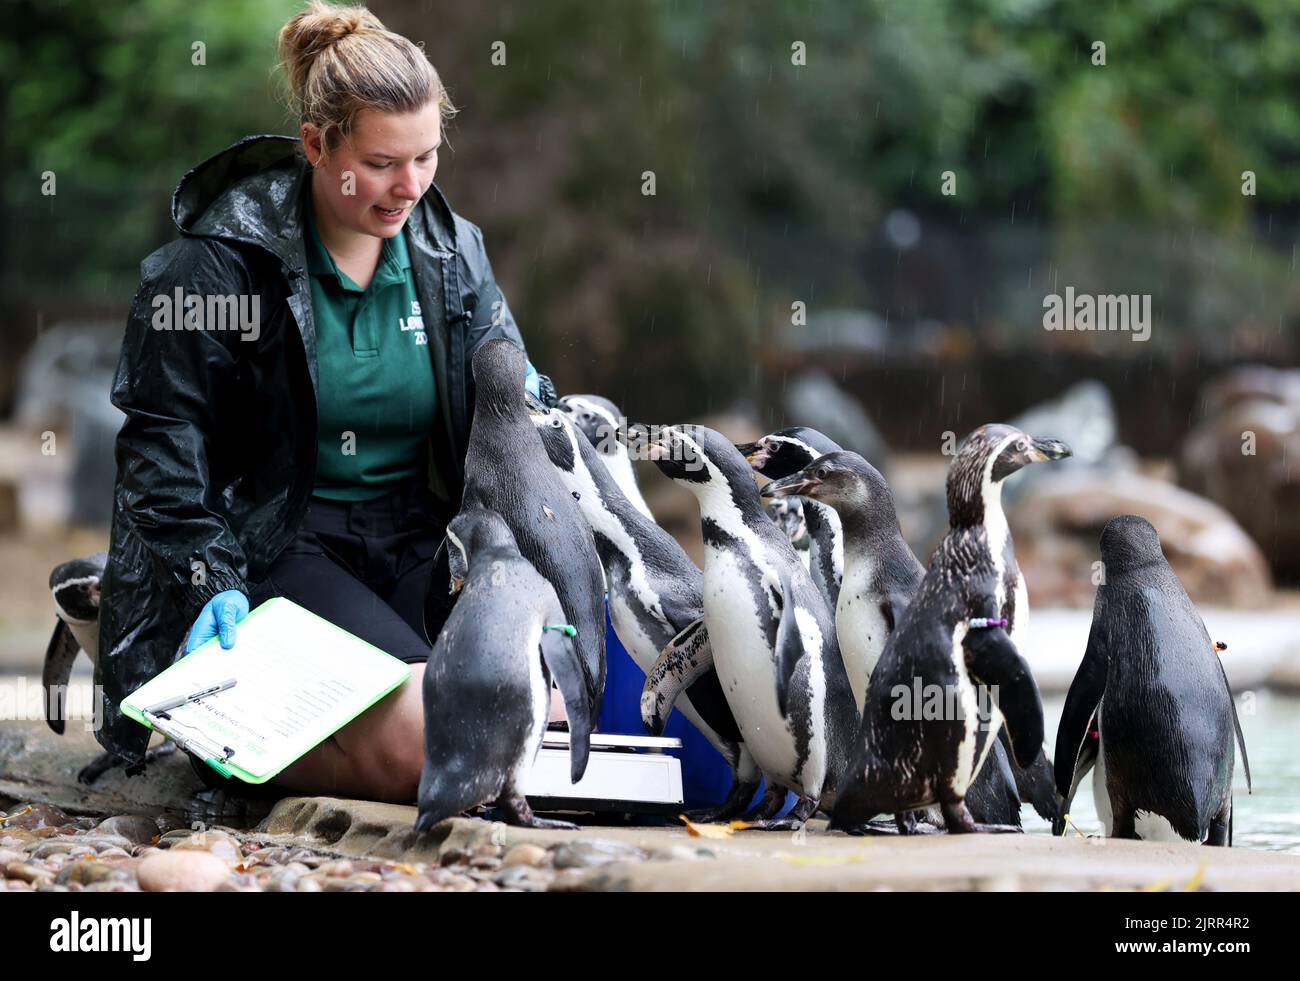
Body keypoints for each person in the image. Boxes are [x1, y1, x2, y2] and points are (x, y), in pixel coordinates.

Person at [96, 1, 554, 803]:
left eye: (426, 157)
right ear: (316, 146)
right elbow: (160, 443)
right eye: (381, 163)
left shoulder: (453, 251)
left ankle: (305, 725)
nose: (409, 186)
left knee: (541, 710)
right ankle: (218, 733)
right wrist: (209, 576)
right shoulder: (213, 269)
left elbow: (515, 396)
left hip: (419, 534)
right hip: (278, 542)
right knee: (441, 736)